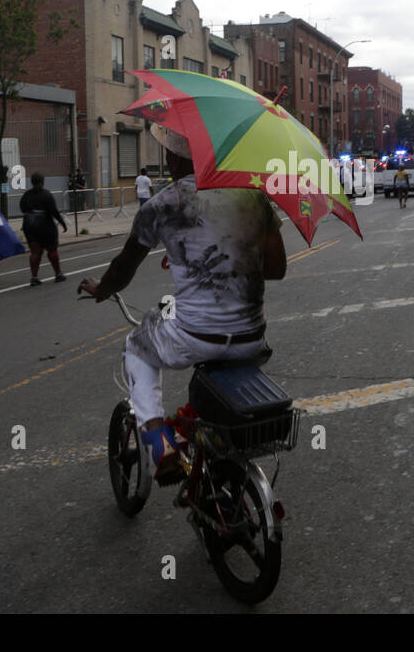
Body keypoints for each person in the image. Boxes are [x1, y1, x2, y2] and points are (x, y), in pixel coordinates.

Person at [78, 128, 286, 476]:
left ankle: (160, 444)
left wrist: (103, 288)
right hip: (252, 340)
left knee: (137, 346)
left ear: (173, 159)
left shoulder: (162, 204)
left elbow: (123, 269)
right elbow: (276, 269)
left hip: (195, 338)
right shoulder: (253, 197)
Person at [20, 171, 68, 285]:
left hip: (29, 226)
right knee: (52, 250)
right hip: (46, 226)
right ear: (43, 181)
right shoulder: (46, 194)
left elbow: (23, 209)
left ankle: (34, 277)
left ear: (32, 182)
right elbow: (54, 211)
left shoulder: (26, 195)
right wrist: (62, 223)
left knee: (35, 252)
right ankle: (58, 274)